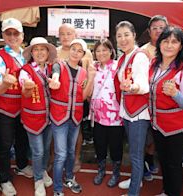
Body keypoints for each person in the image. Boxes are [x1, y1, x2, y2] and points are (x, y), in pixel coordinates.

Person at [148, 26, 183, 195]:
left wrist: (175, 94)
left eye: (174, 42)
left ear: (181, 46)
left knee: (174, 164)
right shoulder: (153, 65)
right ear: (159, 43)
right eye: (165, 41)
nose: (169, 45)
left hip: (176, 127)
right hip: (156, 124)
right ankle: (166, 191)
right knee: (163, 161)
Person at [0, 18, 31, 195]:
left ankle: (21, 165)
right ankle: (3, 177)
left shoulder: (27, 55)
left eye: (16, 33)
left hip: (24, 107)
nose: (12, 37)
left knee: (23, 140)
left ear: (22, 36)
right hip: (5, 108)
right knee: (4, 145)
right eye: (8, 33)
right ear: (3, 36)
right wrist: (5, 83)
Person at [49, 39, 95, 196]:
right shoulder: (59, 65)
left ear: (83, 54)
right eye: (73, 49)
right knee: (60, 153)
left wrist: (92, 77)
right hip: (59, 116)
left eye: (79, 51)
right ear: (69, 50)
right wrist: (54, 80)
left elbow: (84, 96)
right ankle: (57, 188)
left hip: (75, 117)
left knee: (70, 151)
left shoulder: (83, 72)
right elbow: (54, 76)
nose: (76, 52)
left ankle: (68, 178)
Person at [114, 21, 150, 196]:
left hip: (138, 113)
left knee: (135, 154)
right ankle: (137, 179)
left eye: (126, 34)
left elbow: (143, 84)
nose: (122, 39)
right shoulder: (124, 57)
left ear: (134, 35)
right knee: (134, 151)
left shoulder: (140, 56)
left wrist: (133, 87)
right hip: (128, 110)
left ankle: (133, 192)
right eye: (119, 36)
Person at [19, 37, 58, 196]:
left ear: (48, 52)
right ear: (31, 53)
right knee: (38, 151)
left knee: (46, 149)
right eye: (36, 49)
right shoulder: (26, 70)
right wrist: (27, 86)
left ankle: (42, 171)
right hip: (32, 118)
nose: (40, 52)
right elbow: (24, 83)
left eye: (43, 49)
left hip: (49, 118)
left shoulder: (51, 68)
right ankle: (38, 180)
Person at [56, 23, 94, 172]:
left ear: (75, 35)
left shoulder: (86, 53)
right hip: (59, 99)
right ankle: (54, 157)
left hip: (79, 97)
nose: (65, 37)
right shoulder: (56, 52)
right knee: (56, 129)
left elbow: (90, 74)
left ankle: (76, 157)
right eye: (62, 34)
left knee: (77, 130)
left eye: (69, 34)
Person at [90, 39, 123, 187]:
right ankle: (101, 170)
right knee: (99, 144)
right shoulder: (93, 68)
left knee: (116, 146)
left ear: (111, 51)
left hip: (115, 116)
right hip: (97, 116)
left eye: (105, 50)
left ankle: (116, 172)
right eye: (98, 50)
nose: (101, 53)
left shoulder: (118, 67)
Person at [140, 15, 168, 181]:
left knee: (159, 137)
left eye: (161, 27)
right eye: (155, 28)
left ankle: (151, 159)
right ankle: (145, 162)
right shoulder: (143, 50)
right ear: (149, 32)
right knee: (147, 136)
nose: (158, 31)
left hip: (166, 103)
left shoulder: (174, 48)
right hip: (146, 103)